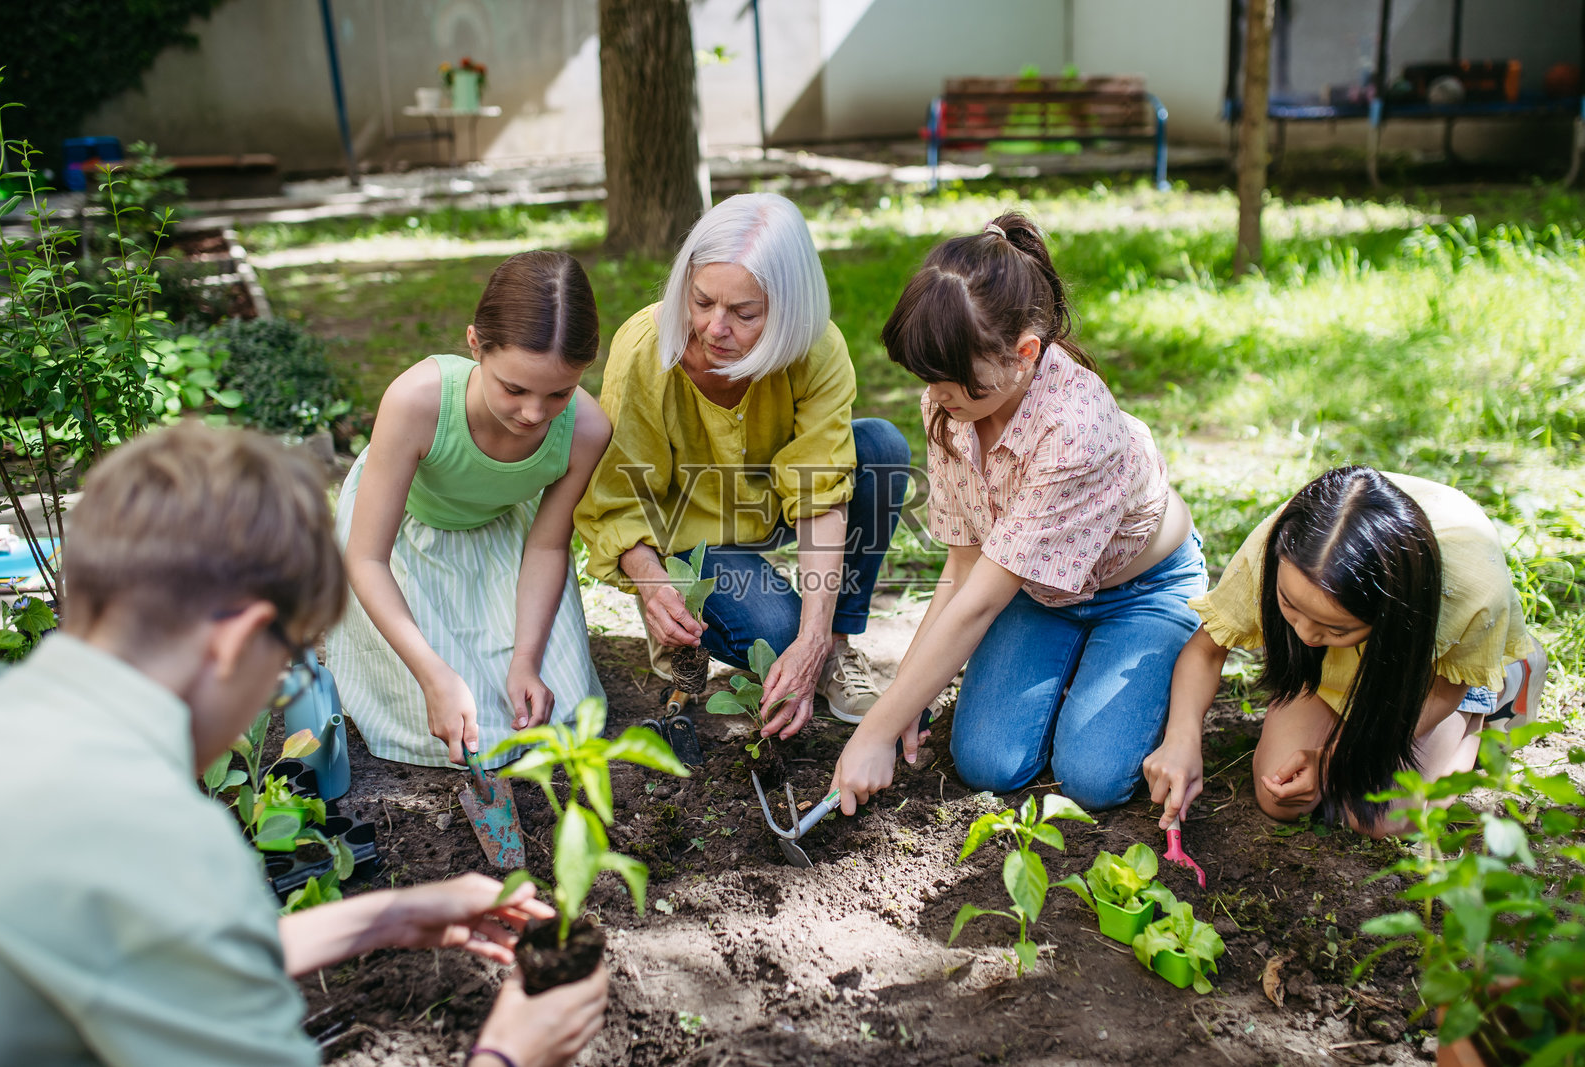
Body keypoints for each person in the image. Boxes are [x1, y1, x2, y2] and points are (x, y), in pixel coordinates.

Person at [0, 422, 606, 1067]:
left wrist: (386, 918)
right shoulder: (165, 845)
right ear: (238, 640)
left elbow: (151, 952)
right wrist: (510, 1054)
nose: (276, 701)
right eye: (284, 669)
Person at [831, 213, 1207, 815]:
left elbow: (980, 602)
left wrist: (874, 730)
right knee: (987, 764)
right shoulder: (951, 406)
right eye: (929, 379)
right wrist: (907, 702)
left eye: (952, 381)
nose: (936, 394)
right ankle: (1075, 671)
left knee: (1094, 777)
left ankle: (1127, 656)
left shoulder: (1075, 432)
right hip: (1035, 590)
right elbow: (961, 570)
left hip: (1140, 590)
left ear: (1024, 354)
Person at [573, 192, 910, 734]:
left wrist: (817, 636)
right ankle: (754, 626)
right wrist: (654, 582)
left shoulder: (816, 348)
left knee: (879, 448)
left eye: (744, 313)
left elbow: (820, 491)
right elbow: (615, 498)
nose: (713, 328)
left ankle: (837, 649)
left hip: (772, 505)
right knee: (778, 637)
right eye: (701, 301)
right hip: (692, 535)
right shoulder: (645, 350)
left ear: (788, 310)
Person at [1142, 465, 1545, 837]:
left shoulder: (1469, 594)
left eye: (1334, 627)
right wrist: (1181, 738)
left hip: (1428, 676)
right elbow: (1207, 650)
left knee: (1382, 818)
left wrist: (1334, 759)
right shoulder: (1281, 546)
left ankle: (1496, 692)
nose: (1305, 636)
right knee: (1279, 799)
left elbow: (1444, 688)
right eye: (1289, 606)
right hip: (1332, 670)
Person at [328, 250, 611, 767]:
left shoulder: (587, 431)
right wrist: (432, 673)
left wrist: (525, 660)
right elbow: (366, 558)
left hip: (502, 534)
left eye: (558, 394)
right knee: (442, 721)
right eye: (514, 388)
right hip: (400, 542)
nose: (533, 413)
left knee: (553, 712)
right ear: (475, 344)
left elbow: (547, 546)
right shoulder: (417, 401)